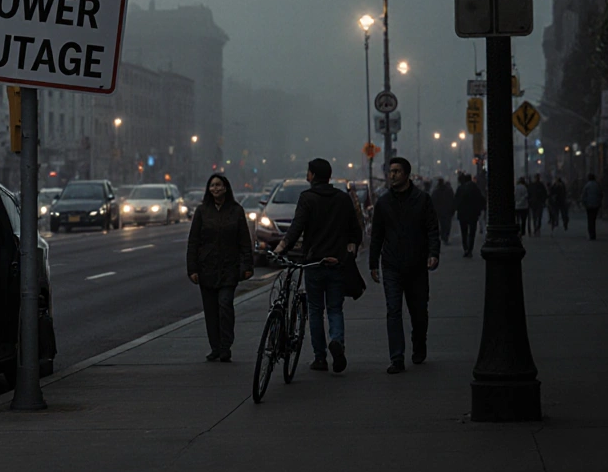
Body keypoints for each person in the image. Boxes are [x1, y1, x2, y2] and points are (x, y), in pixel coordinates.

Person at [273, 158, 363, 374]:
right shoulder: (342, 199)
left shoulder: (307, 198)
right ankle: (337, 342)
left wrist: (281, 248)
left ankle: (320, 357)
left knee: (315, 310)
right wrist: (348, 251)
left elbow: (296, 228)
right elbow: (355, 230)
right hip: (336, 262)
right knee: (334, 308)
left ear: (312, 175)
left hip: (314, 262)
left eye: (308, 172)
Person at [370, 157, 439, 374]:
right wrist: (373, 263)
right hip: (391, 264)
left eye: (397, 171)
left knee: (419, 311)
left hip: (417, 264)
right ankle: (397, 357)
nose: (392, 175)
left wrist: (433, 254)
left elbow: (432, 229)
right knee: (393, 310)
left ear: (407, 174)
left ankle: (419, 344)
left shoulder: (422, 199)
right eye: (390, 171)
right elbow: (377, 235)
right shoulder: (383, 203)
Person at [186, 173, 254, 362]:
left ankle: (226, 346)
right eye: (212, 185)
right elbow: (193, 242)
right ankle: (215, 347)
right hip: (206, 268)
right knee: (210, 311)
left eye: (219, 185)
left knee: (225, 305)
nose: (216, 188)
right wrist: (192, 268)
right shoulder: (202, 211)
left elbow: (244, 241)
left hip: (229, 268)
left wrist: (247, 265)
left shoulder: (236, 211)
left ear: (226, 188)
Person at [454, 172, 486, 257]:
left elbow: (456, 201)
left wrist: (456, 209)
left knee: (464, 232)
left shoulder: (460, 188)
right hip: (473, 214)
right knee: (472, 232)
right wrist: (482, 208)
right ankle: (470, 249)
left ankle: (465, 248)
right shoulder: (475, 188)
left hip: (462, 213)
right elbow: (481, 199)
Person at [431, 177, 455, 245]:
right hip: (447, 210)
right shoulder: (449, 190)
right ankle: (445, 237)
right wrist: (453, 210)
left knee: (441, 224)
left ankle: (442, 236)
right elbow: (453, 200)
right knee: (447, 225)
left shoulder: (436, 191)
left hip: (439, 211)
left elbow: (432, 201)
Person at [581, 173, 602, 240]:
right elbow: (600, 194)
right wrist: (599, 202)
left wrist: (584, 203)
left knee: (590, 220)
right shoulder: (597, 185)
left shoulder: (587, 186)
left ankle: (591, 234)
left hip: (589, 205)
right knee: (594, 219)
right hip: (596, 204)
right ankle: (594, 234)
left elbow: (584, 195)